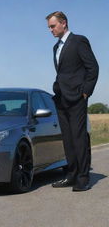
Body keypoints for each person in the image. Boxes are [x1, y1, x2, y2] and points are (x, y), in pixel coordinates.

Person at [46, 11, 99, 191]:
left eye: (53, 26)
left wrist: (85, 93)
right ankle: (71, 175)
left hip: (76, 97)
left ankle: (83, 178)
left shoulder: (79, 41)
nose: (50, 30)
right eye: (49, 27)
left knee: (79, 139)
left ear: (64, 23)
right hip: (61, 98)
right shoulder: (55, 47)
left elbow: (93, 67)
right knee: (68, 140)